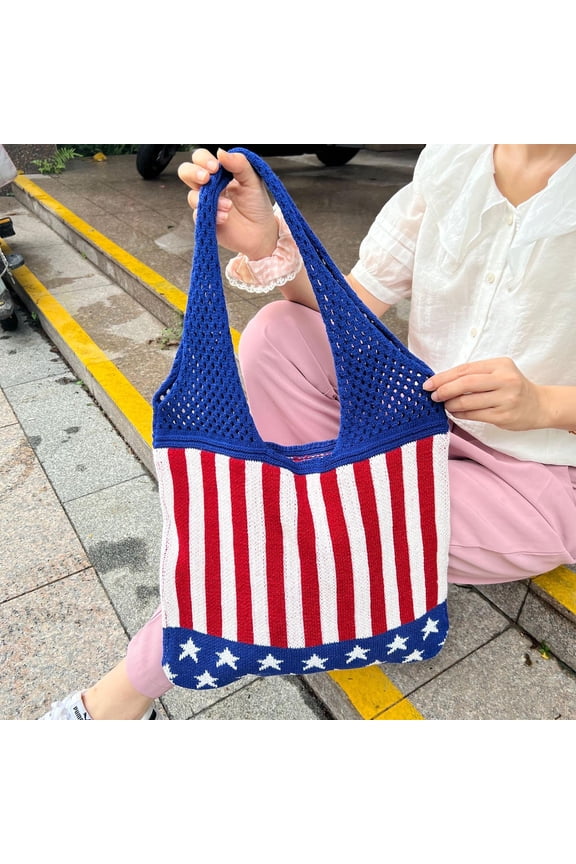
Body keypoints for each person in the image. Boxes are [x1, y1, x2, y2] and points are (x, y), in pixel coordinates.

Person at [40, 144, 576, 720]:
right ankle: (313, 538)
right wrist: (267, 245)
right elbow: (352, 308)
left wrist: (544, 404)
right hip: (416, 426)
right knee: (277, 331)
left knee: (274, 531)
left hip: (536, 473)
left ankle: (123, 695)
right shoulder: (455, 155)